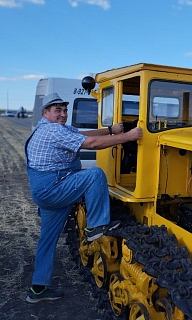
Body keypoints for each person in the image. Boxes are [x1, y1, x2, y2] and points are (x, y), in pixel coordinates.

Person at [25, 93, 142, 303]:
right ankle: (96, 227)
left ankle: (38, 288)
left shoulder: (48, 128)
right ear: (46, 113)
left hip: (46, 192)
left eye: (64, 110)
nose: (63, 114)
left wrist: (110, 130)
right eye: (57, 110)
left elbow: (81, 134)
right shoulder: (52, 131)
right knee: (94, 175)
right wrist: (129, 137)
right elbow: (92, 143)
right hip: (54, 189)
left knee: (47, 240)